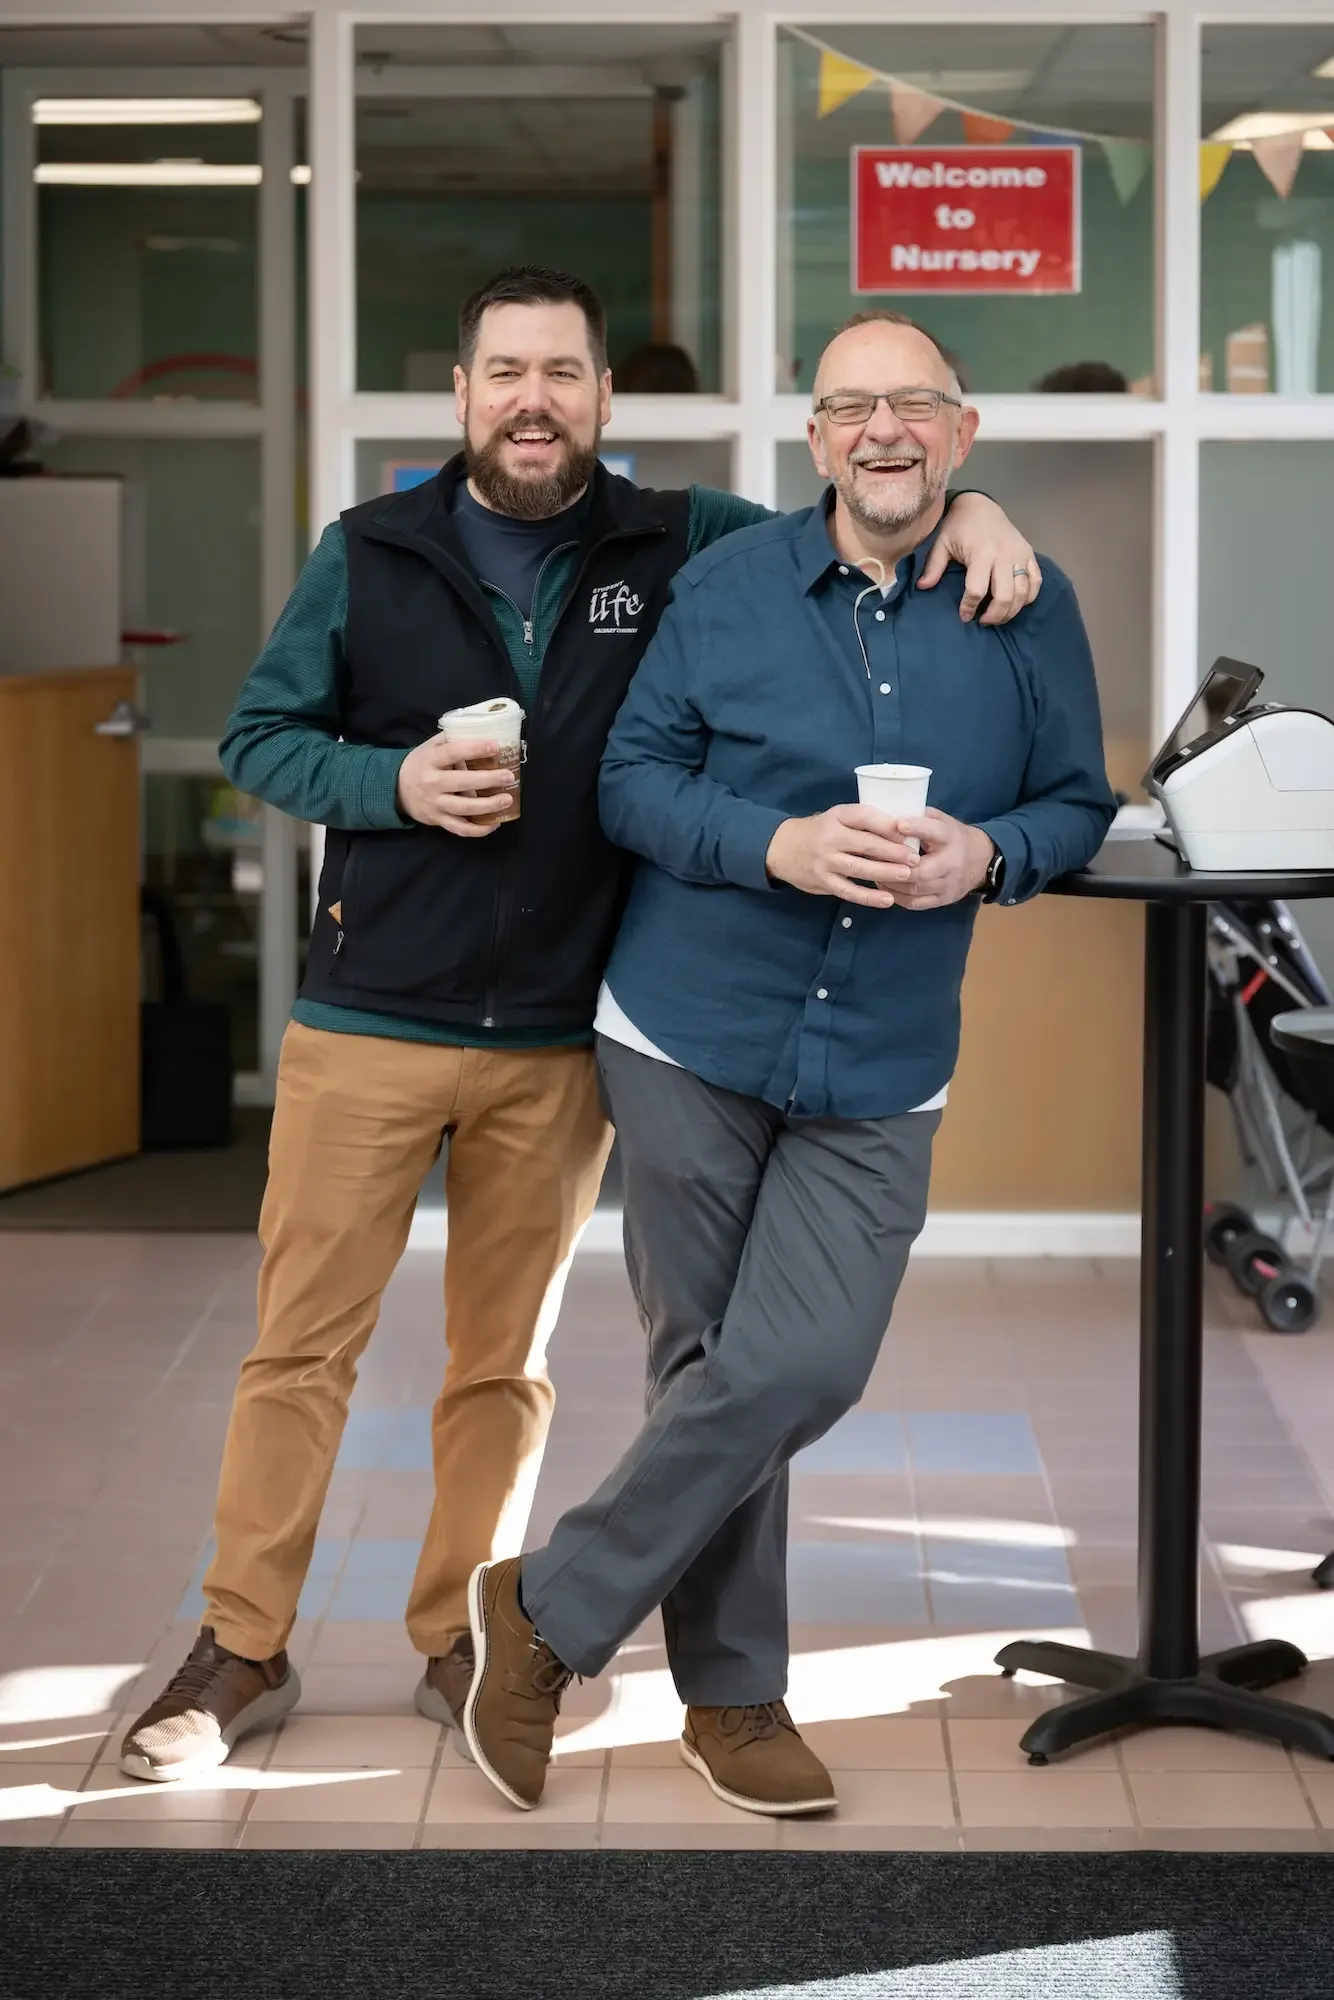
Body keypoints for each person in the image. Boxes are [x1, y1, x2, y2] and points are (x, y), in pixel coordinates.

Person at [118, 268, 1043, 1784]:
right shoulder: (368, 551)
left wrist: (976, 512)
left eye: (561, 373)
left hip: (559, 1031)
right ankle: (242, 1645)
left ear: (603, 399)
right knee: (301, 1351)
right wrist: (390, 784)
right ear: (465, 398)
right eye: (503, 373)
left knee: (503, 1363)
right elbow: (258, 738)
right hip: (371, 1015)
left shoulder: (682, 543)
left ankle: (455, 1640)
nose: (532, 399)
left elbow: (862, 514)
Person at [462, 307, 1117, 1818]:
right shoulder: (731, 584)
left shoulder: (1024, 602)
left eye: (912, 408)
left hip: (884, 1050)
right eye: (847, 408)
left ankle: (545, 1609)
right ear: (813, 439)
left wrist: (990, 855)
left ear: (960, 436)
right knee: (709, 1370)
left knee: (794, 1364)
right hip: (690, 1026)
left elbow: (1078, 802)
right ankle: (736, 1698)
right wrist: (776, 841)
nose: (879, 432)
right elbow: (631, 784)